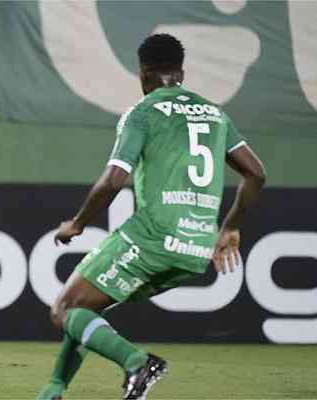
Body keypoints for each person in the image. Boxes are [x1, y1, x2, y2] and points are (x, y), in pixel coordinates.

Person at [36, 33, 266, 400]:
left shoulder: (143, 112)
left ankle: (138, 363)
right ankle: (53, 390)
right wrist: (231, 227)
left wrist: (77, 223)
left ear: (143, 74)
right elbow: (256, 173)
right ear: (182, 73)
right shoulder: (215, 114)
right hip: (196, 248)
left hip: (154, 234)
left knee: (64, 309)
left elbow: (114, 179)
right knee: (86, 310)